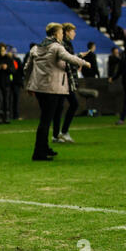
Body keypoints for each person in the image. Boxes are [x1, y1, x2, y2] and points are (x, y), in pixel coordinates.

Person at [24, 22, 90, 161]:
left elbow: (27, 68)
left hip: (39, 88)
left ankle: (44, 148)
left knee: (45, 118)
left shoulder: (36, 47)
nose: (62, 35)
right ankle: (38, 153)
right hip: (52, 89)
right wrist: (84, 62)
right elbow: (69, 58)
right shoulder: (56, 47)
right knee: (45, 121)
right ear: (55, 34)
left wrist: (29, 85)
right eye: (60, 33)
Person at [52, 23, 80, 144]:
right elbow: (66, 60)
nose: (74, 34)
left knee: (60, 107)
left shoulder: (67, 44)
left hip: (64, 79)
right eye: (73, 31)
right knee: (73, 104)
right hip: (64, 80)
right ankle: (63, 132)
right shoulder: (64, 44)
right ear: (67, 32)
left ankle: (57, 134)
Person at [9, 46, 23, 120]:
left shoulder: (16, 60)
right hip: (12, 83)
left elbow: (21, 71)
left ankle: (14, 115)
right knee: (12, 100)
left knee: (13, 100)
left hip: (14, 83)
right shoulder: (12, 60)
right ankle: (14, 115)